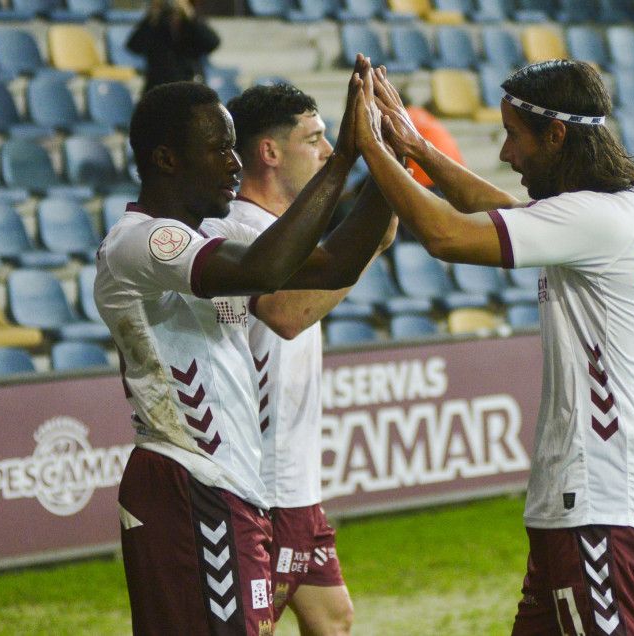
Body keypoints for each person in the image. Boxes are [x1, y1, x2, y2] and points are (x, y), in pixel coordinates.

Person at [354, 59, 634, 635]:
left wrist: (374, 149)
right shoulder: (620, 211)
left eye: (514, 135)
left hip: (599, 500)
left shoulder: (595, 217)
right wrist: (418, 148)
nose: (506, 153)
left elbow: (446, 234)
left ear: (557, 135)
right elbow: (503, 212)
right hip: (586, 497)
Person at [98, 58, 392, 635]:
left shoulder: (199, 241)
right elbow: (269, 269)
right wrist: (349, 159)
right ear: (166, 159)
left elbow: (333, 262)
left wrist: (386, 154)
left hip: (228, 487)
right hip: (190, 484)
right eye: (219, 151)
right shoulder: (143, 243)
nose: (235, 165)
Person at [223, 82, 396, 635]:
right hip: (260, 485)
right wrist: (365, 247)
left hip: (297, 485)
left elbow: (370, 241)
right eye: (314, 139)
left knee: (334, 617)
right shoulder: (236, 229)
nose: (326, 151)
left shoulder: (284, 235)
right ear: (269, 152)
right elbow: (289, 314)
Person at [127, 0, 221, 94]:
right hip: (158, 86)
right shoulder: (156, 23)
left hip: (190, 83)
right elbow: (134, 46)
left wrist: (189, 14)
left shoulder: (190, 24)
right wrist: (151, 17)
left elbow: (213, 43)